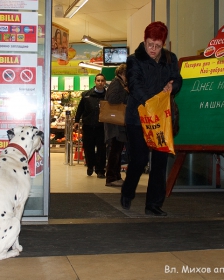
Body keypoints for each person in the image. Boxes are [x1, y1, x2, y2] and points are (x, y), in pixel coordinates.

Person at [121, 21, 182, 216]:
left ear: (163, 44)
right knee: (139, 159)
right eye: (149, 44)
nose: (153, 49)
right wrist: (152, 103)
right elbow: (135, 84)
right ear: (144, 40)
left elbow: (178, 78)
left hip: (161, 119)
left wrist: (173, 86)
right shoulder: (134, 59)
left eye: (157, 45)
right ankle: (127, 191)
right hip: (137, 118)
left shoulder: (170, 59)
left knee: (160, 161)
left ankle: (153, 204)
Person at [73, 74, 107, 178]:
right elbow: (80, 109)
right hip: (88, 126)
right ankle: (90, 166)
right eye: (98, 80)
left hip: (102, 127)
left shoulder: (108, 95)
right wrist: (77, 121)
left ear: (104, 82)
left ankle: (100, 170)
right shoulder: (86, 95)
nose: (100, 82)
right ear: (95, 82)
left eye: (102, 81)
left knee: (102, 149)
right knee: (88, 148)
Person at [104, 64, 129, 187]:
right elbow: (112, 99)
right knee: (115, 151)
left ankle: (116, 176)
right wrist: (125, 93)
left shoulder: (118, 83)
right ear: (123, 73)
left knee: (117, 151)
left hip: (116, 125)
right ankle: (111, 177)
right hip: (115, 126)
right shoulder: (116, 83)